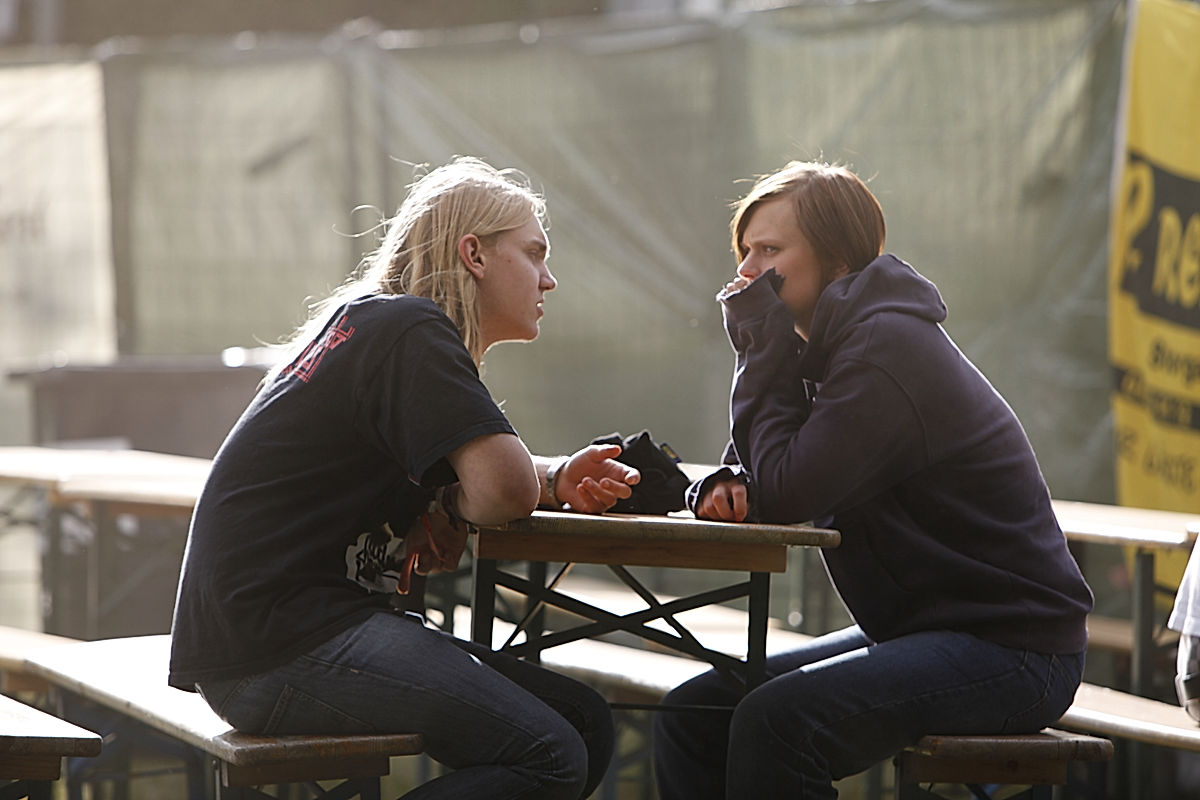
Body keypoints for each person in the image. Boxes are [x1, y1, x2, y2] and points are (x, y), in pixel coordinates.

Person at [168, 156, 640, 800]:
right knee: (550, 756)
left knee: (582, 724)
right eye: (534, 254)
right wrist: (476, 498)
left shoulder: (377, 322)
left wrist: (546, 477)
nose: (548, 279)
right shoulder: (411, 328)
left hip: (265, 635)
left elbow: (485, 479)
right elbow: (503, 490)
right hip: (279, 644)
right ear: (473, 254)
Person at [652, 160, 1095, 799]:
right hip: (923, 629)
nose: (746, 272)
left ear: (837, 262)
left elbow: (787, 494)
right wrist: (728, 476)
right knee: (695, 713)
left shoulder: (883, 347)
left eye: (770, 251)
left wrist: (759, 351)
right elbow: (763, 470)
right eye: (745, 251)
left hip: (1014, 650)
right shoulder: (826, 349)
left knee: (778, 724)